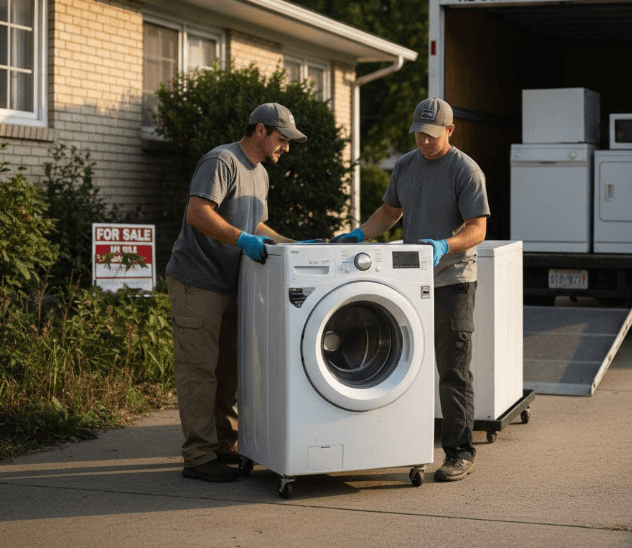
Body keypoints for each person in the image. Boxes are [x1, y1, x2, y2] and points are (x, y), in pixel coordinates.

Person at [332, 97, 490, 482]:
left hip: (453, 281)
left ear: (450, 131)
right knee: (403, 363)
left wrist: (444, 244)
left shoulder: (465, 170)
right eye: (419, 133)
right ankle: (400, 444)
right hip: (410, 282)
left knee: (452, 367)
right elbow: (390, 212)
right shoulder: (405, 165)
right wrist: (359, 234)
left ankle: (459, 451)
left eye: (432, 135)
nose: (423, 141)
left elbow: (478, 229)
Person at [166, 103, 307, 482]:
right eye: (282, 139)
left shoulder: (259, 173)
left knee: (228, 371)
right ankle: (197, 457)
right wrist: (242, 239)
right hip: (197, 281)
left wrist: (293, 245)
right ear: (260, 131)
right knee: (199, 372)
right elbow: (198, 212)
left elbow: (255, 224)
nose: (286, 148)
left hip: (233, 285)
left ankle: (224, 445)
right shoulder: (221, 160)